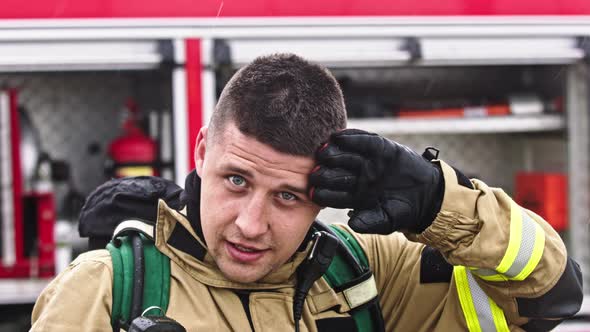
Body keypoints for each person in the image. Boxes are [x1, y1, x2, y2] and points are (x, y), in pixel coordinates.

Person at [31, 53, 582, 331]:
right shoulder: (107, 290)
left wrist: (441, 202)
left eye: (288, 197)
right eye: (236, 180)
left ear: (326, 193)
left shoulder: (371, 277)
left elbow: (550, 292)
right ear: (201, 149)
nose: (251, 223)